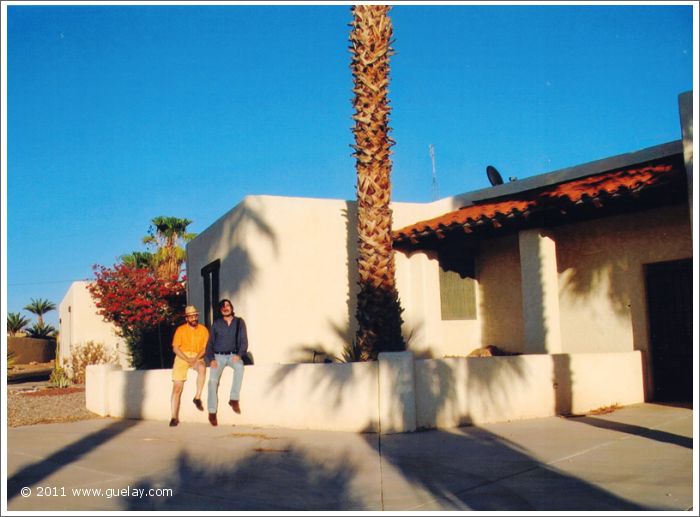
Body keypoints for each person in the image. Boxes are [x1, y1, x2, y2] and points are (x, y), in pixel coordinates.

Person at [205, 298, 249, 426]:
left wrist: (239, 355)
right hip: (218, 357)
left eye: (228, 305)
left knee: (240, 368)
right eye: (223, 306)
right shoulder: (216, 324)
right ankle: (212, 412)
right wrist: (211, 359)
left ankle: (233, 399)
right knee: (212, 381)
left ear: (232, 308)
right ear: (220, 310)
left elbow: (244, 341)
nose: (225, 308)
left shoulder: (239, 322)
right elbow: (210, 344)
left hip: (232, 356)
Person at [169, 305, 209, 427]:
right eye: (191, 316)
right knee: (177, 387)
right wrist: (187, 359)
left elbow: (205, 348)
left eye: (195, 316)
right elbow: (175, 348)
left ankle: (197, 397)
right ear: (187, 318)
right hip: (182, 357)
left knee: (202, 368)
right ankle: (174, 417)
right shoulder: (180, 330)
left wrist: (195, 359)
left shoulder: (203, 330)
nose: (193, 318)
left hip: (197, 356)